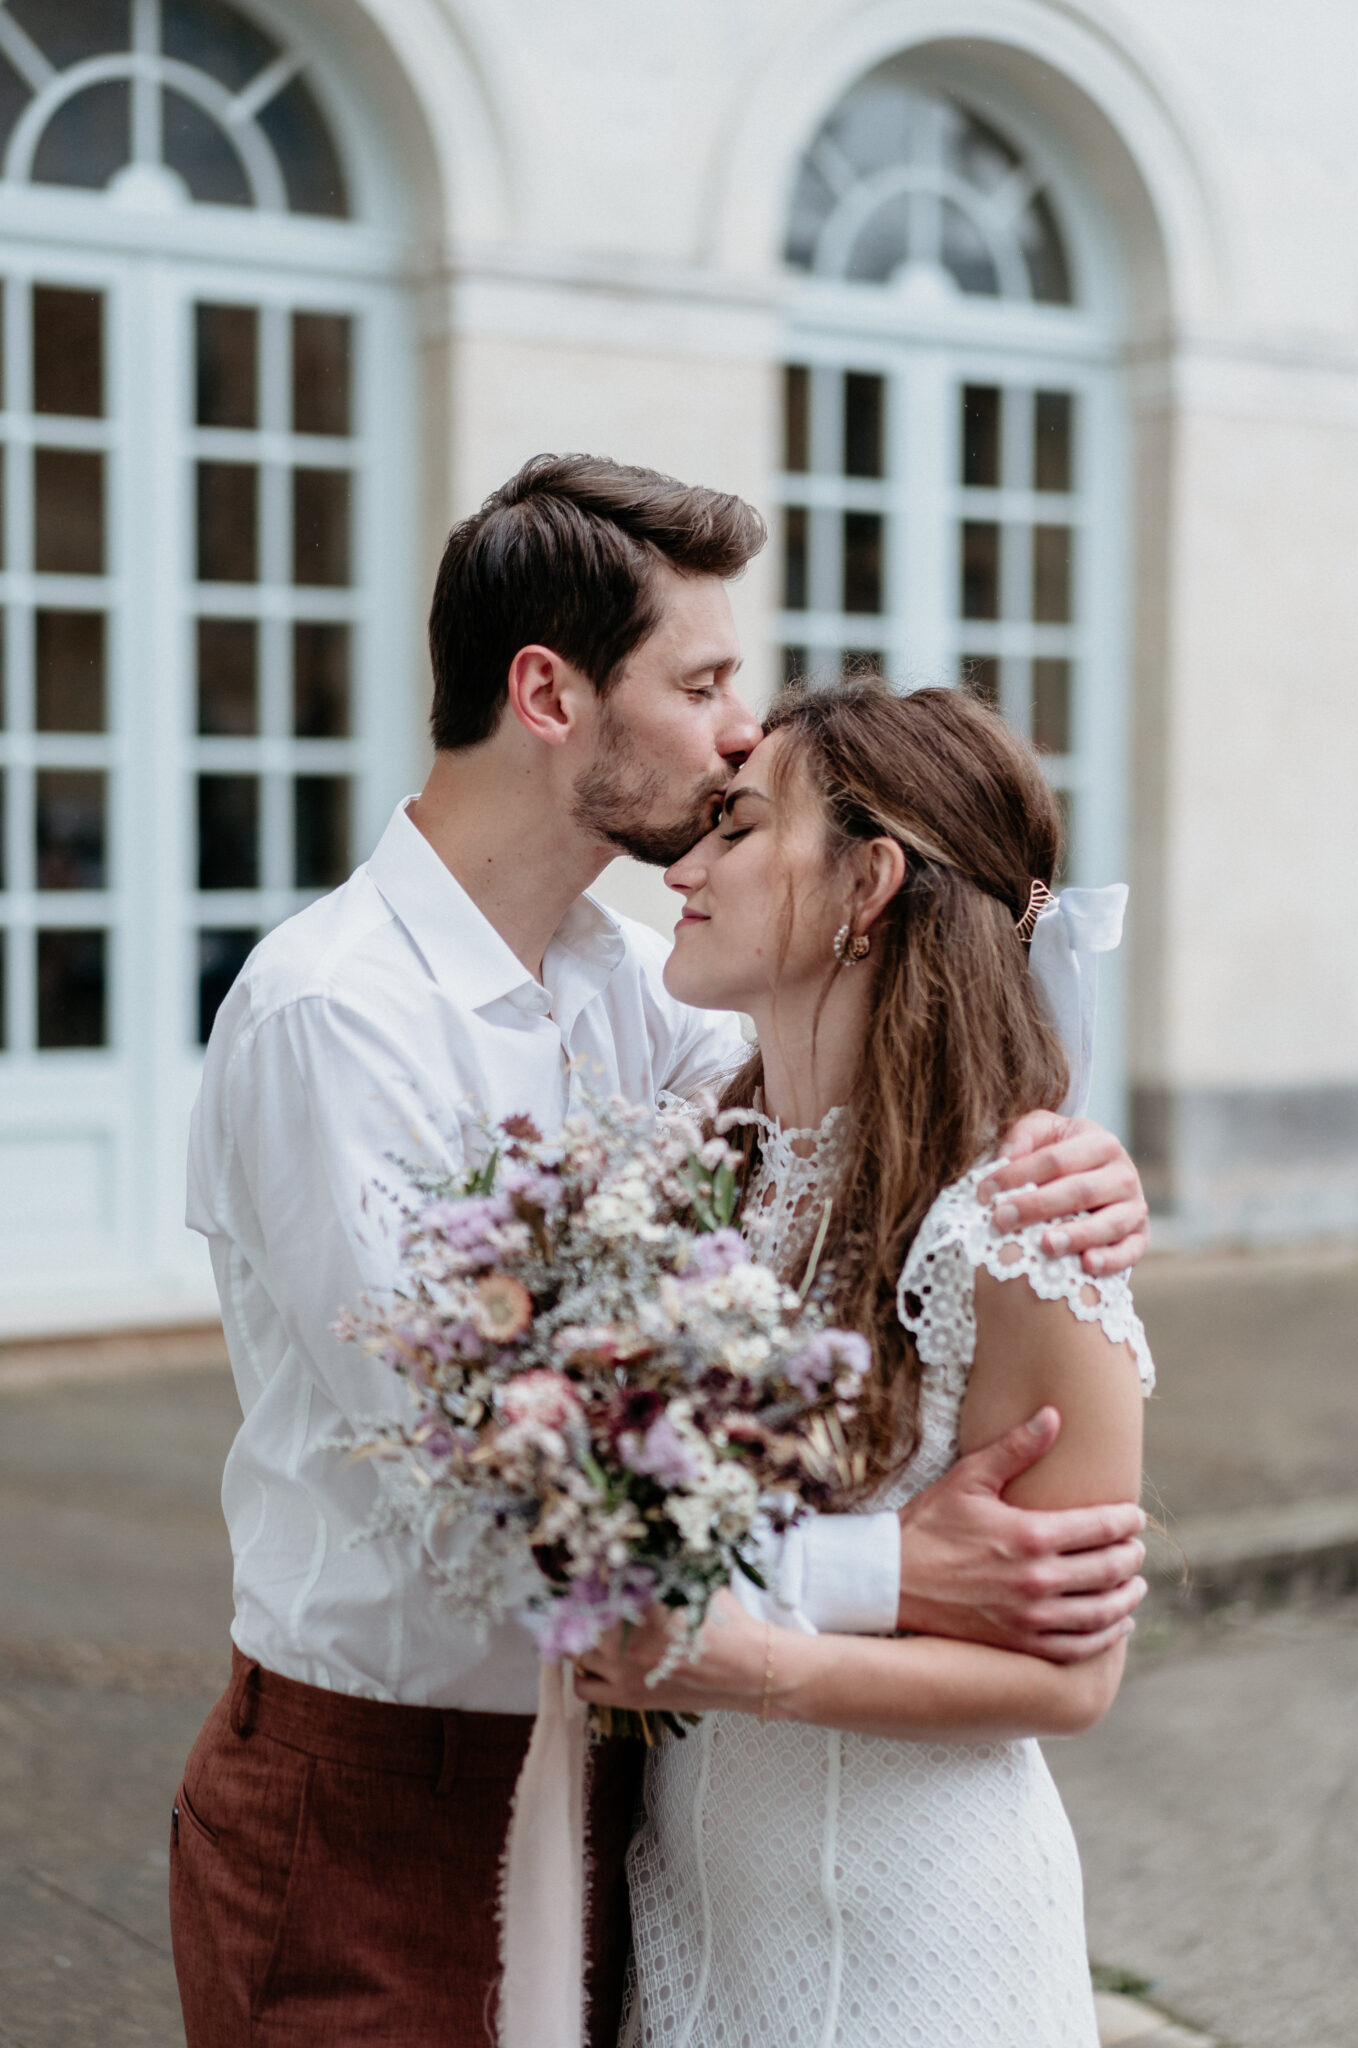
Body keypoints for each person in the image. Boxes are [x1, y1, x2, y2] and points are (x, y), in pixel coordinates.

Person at [169, 458, 1148, 2047]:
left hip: (653, 1797)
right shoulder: (335, 1015)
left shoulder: (644, 984)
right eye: (699, 683)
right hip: (388, 1793)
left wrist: (1076, 1158)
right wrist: (890, 1569)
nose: (735, 735)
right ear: (547, 694)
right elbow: (478, 1497)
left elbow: (882, 1128)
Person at [574, 675, 1153, 2047]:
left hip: (912, 1943)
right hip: (696, 1916)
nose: (686, 864)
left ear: (867, 881)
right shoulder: (685, 1181)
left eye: (736, 827)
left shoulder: (1014, 1230)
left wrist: (752, 1662)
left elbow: (1071, 1681)